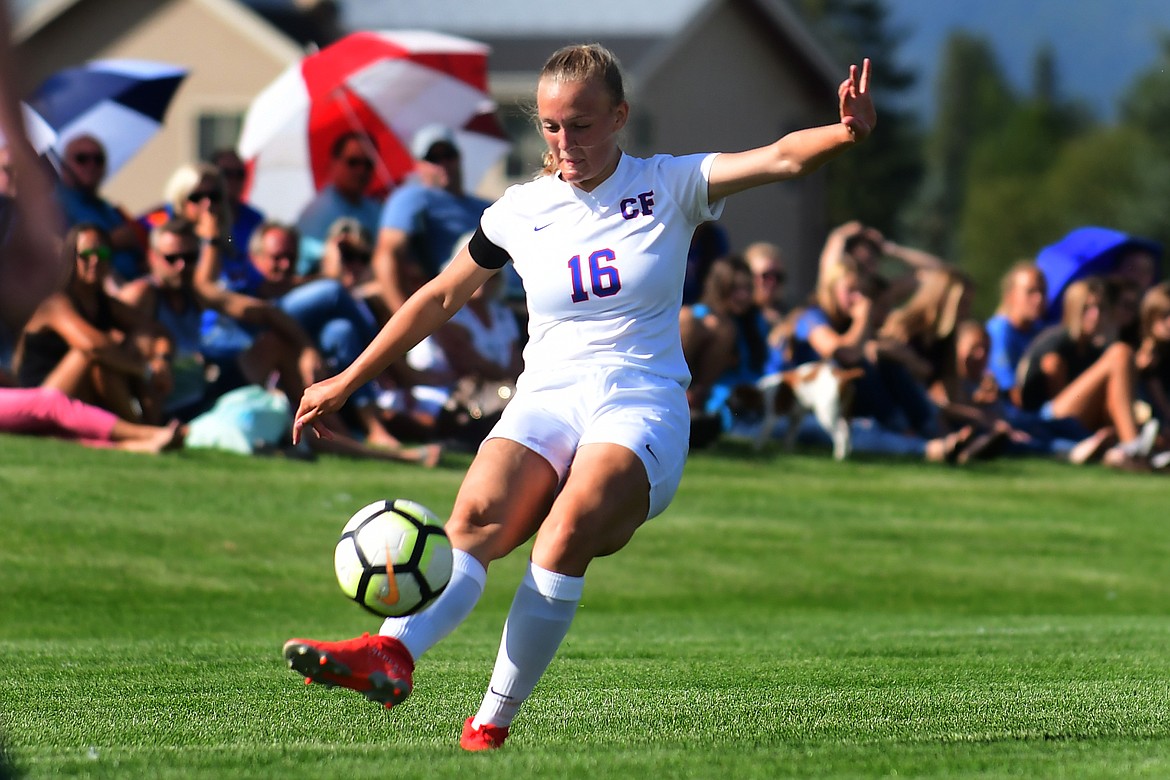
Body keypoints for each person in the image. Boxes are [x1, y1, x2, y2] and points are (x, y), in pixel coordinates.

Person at [281, 45, 875, 749]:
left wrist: (845, 134)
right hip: (548, 397)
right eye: (554, 127)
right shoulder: (520, 210)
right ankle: (390, 653)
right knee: (473, 516)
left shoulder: (671, 183)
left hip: (642, 403)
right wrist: (349, 379)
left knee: (563, 534)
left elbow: (779, 158)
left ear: (620, 117)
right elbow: (440, 295)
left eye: (585, 126)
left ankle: (490, 723)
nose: (567, 144)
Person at [15, 223, 174, 423]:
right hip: (40, 398)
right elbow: (93, 346)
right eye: (86, 254)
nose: (95, 260)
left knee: (141, 342)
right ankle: (136, 427)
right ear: (71, 259)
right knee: (90, 355)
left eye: (103, 254)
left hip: (78, 395)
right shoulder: (55, 302)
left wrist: (162, 360)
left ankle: (152, 423)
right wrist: (146, 370)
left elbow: (156, 331)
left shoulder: (105, 303)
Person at [1014, 277, 1159, 468]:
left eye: (1101, 308)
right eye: (1087, 308)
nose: (1095, 315)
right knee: (1120, 354)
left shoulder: (1091, 348)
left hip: (1071, 418)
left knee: (1119, 359)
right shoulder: (1056, 344)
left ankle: (1133, 445)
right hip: (1046, 419)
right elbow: (1058, 405)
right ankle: (1133, 446)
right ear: (1073, 309)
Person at [372, 124, 492, 315]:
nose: (443, 163)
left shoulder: (487, 205)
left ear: (459, 157)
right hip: (460, 307)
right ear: (417, 164)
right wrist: (408, 321)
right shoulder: (411, 197)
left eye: (448, 155)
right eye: (433, 158)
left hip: (509, 303)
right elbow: (386, 256)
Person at [54, 134, 146, 285]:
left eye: (98, 159)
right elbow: (63, 250)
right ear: (63, 166)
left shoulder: (107, 207)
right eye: (81, 159)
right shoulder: (53, 205)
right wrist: (111, 241)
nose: (91, 165)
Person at [295, 131, 383, 277]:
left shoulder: (376, 209)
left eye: (368, 163)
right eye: (353, 162)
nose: (361, 170)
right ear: (334, 163)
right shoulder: (317, 212)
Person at [985, 261, 1047, 400]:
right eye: (1031, 291)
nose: (1039, 299)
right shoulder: (999, 331)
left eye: (1042, 291)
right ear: (1010, 296)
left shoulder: (1039, 330)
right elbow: (1011, 392)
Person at [744, 240, 788, 329]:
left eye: (778, 276)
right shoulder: (737, 318)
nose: (772, 282)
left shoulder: (791, 314)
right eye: (766, 275)